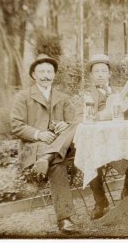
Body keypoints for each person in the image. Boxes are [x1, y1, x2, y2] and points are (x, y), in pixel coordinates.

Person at [11, 54, 78, 234]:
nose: (46, 75)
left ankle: (49, 156)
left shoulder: (62, 98)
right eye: (41, 71)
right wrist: (39, 134)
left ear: (54, 75)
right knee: (57, 163)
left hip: (62, 146)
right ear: (33, 74)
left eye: (49, 71)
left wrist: (67, 124)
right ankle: (65, 219)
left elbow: (75, 122)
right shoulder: (23, 97)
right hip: (35, 148)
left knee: (79, 124)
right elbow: (16, 126)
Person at [78, 53, 128, 220]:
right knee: (91, 155)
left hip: (120, 140)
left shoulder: (119, 93)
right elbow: (81, 117)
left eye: (104, 71)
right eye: (96, 72)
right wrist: (101, 116)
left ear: (109, 74)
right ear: (91, 75)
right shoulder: (85, 94)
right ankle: (100, 201)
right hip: (98, 142)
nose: (101, 74)